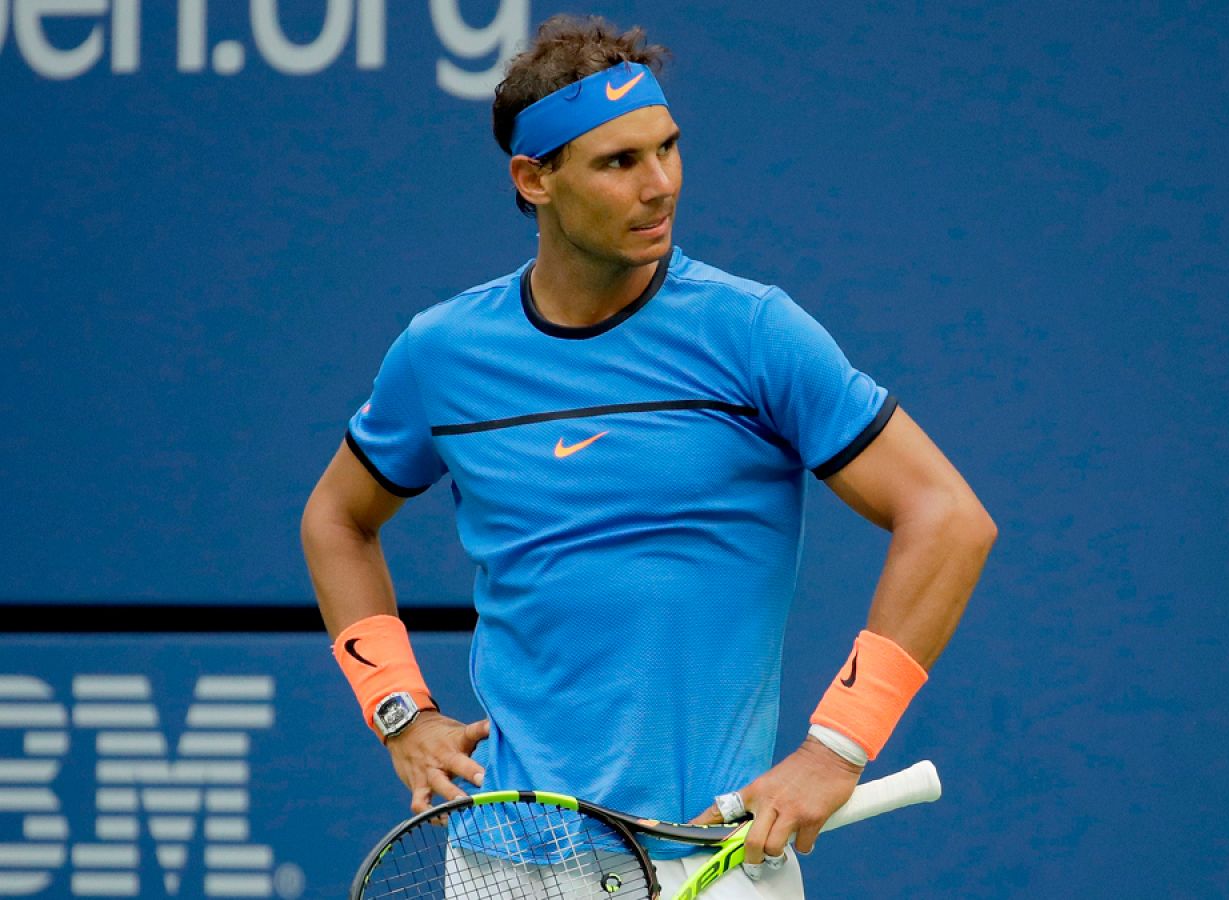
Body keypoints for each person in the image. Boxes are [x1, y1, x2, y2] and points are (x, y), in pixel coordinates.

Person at [300, 14, 995, 898]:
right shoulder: (440, 355)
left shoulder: (750, 332)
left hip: (711, 860)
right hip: (502, 867)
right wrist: (401, 711)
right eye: (619, 162)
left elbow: (948, 518)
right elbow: (336, 520)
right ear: (534, 178)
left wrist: (838, 746)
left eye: (668, 149)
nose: (660, 184)